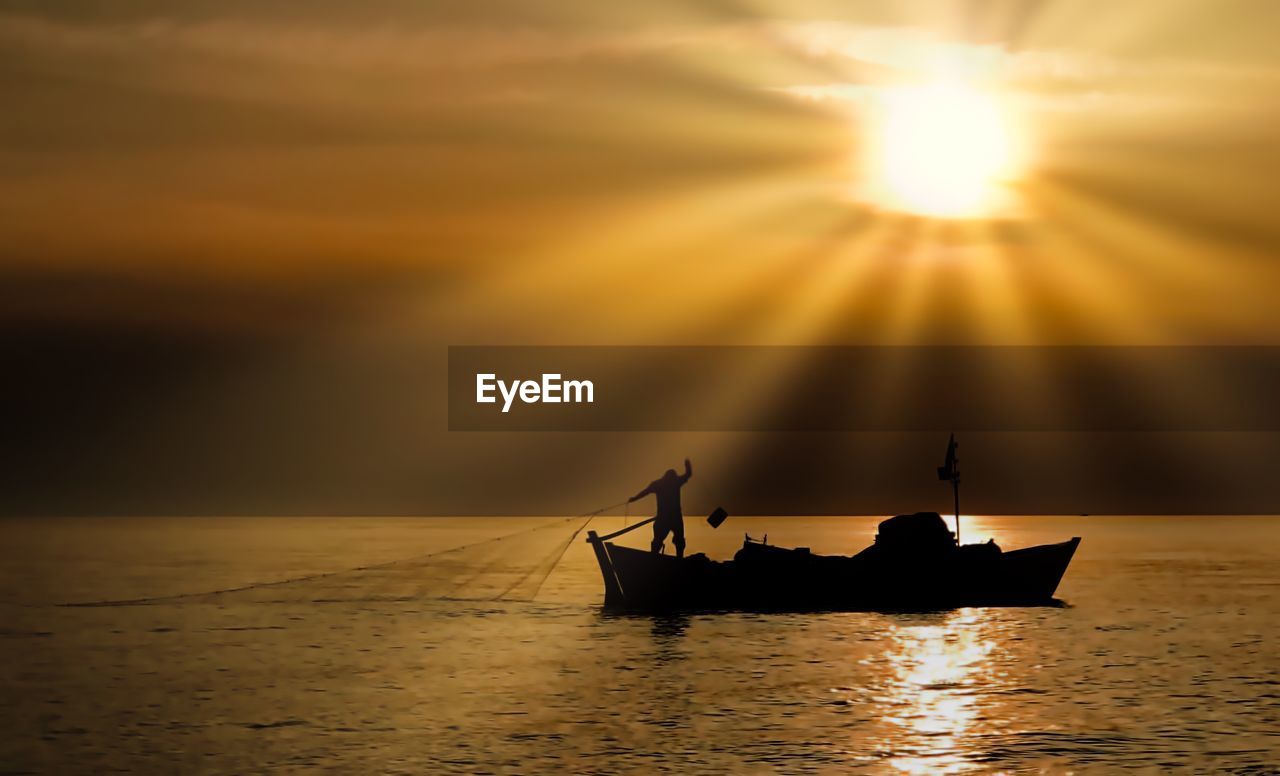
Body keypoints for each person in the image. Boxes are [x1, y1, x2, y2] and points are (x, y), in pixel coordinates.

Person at [629, 459, 693, 558]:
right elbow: (688, 474)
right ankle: (679, 559)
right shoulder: (675, 482)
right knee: (678, 540)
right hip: (674, 518)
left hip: (664, 518)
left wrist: (634, 498)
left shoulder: (658, 484)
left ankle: (654, 558)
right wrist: (687, 465)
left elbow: (645, 492)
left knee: (659, 540)